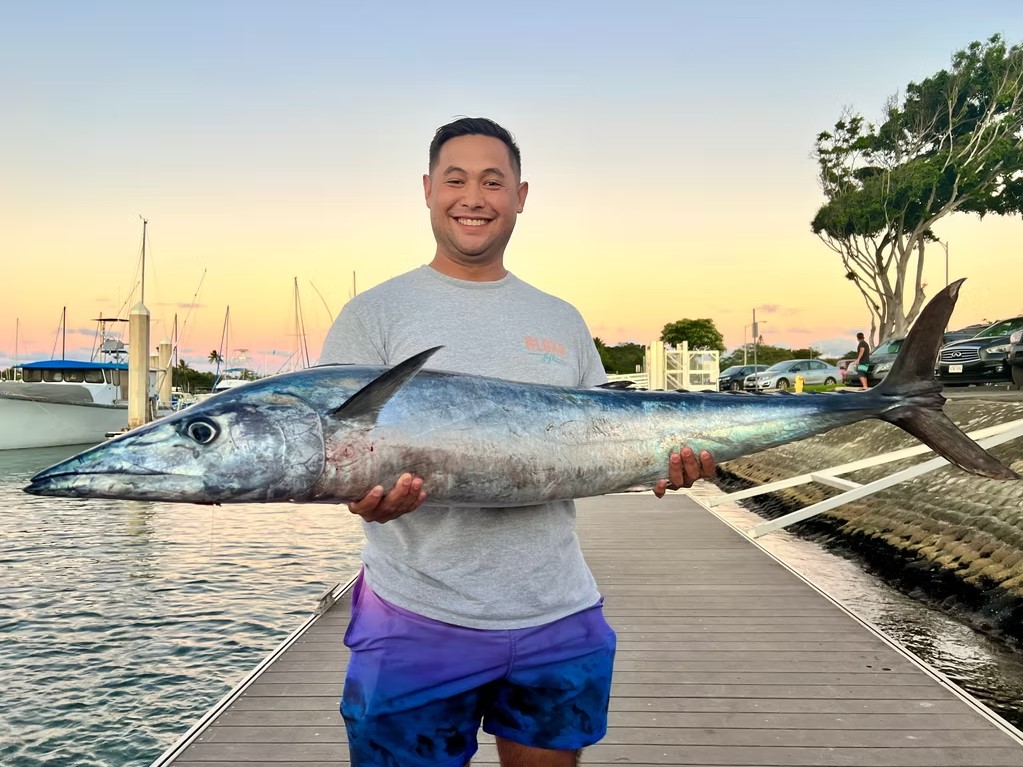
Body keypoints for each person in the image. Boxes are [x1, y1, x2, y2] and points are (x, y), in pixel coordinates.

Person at [319, 116, 716, 767]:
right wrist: (361, 498)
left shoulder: (559, 318)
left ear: (520, 195)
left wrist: (666, 463)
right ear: (426, 189)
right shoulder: (374, 315)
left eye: (492, 180)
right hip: (415, 617)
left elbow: (608, 437)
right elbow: (340, 458)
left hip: (555, 613)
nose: (473, 196)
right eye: (455, 179)